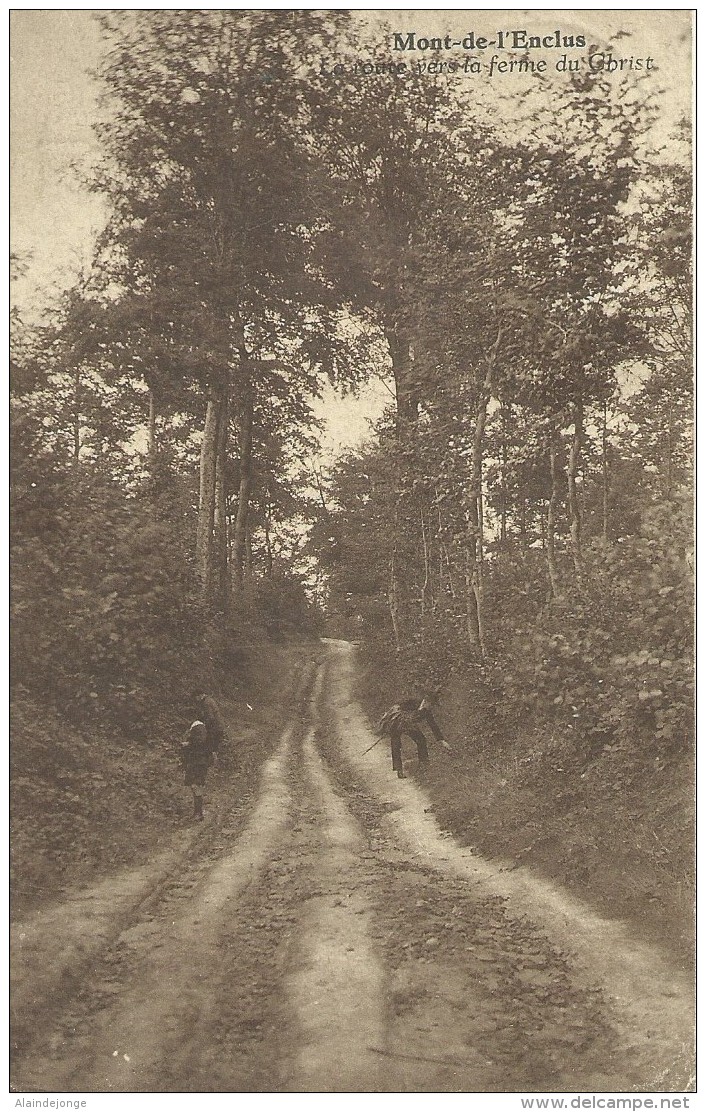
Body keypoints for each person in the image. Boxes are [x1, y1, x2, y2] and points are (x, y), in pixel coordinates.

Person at [379, 690, 452, 779]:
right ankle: (399, 770)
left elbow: (433, 725)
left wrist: (441, 740)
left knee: (421, 740)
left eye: (432, 705)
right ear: (426, 701)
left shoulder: (427, 711)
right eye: (431, 704)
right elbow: (399, 706)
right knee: (396, 743)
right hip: (397, 722)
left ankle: (423, 767)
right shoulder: (413, 702)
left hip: (409, 725)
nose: (431, 707)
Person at [180, 718, 214, 820]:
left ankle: (198, 813)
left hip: (199, 762)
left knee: (196, 786)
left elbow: (200, 742)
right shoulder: (198, 728)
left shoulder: (199, 728)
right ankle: (197, 813)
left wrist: (188, 744)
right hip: (195, 762)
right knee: (195, 786)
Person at [194, 692, 226, 758]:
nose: (197, 700)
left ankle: (213, 761)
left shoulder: (206, 703)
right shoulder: (209, 700)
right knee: (215, 744)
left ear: (200, 695)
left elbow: (210, 717)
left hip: (215, 726)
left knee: (211, 745)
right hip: (218, 725)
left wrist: (205, 725)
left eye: (196, 698)